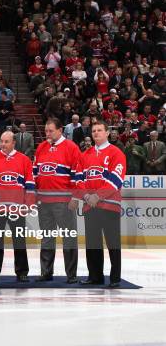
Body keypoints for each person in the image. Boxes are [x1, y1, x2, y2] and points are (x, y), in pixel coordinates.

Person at [74, 120, 127, 288]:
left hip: (109, 205)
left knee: (113, 242)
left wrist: (98, 196)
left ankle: (115, 278)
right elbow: (78, 179)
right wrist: (87, 196)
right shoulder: (85, 155)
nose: (96, 133)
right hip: (90, 205)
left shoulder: (116, 153)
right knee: (93, 243)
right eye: (94, 130)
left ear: (106, 133)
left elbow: (116, 179)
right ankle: (95, 276)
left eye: (99, 130)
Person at [33, 118, 81, 283]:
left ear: (60, 130)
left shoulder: (71, 148)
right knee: (47, 236)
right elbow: (35, 173)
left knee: (68, 236)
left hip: (64, 201)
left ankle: (71, 274)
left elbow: (78, 175)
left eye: (50, 131)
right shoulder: (41, 147)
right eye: (46, 131)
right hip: (43, 201)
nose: (47, 134)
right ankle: (46, 272)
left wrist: (76, 196)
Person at [0, 131, 35, 282]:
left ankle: (22, 271)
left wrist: (29, 204)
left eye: (6, 142)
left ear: (14, 143)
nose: (3, 144)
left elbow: (30, 184)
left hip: (17, 208)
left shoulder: (24, 160)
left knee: (19, 240)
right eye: (1, 141)